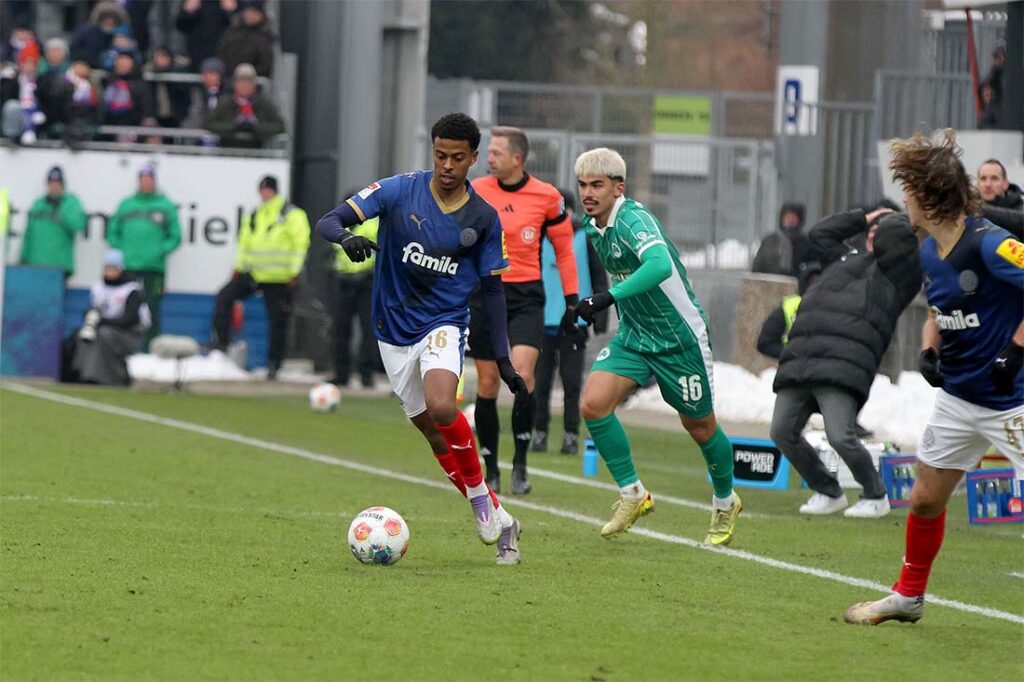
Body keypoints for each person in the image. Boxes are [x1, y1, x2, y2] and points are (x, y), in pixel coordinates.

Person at [316, 112, 528, 565]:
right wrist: (346, 238)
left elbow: (492, 291)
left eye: (457, 157)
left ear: (473, 159)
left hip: (445, 322)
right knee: (433, 435)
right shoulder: (398, 189)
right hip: (392, 331)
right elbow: (328, 220)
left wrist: (505, 359)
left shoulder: (484, 219)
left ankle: (478, 505)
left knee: (444, 405)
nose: (447, 165)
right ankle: (502, 515)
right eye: (440, 155)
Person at [845, 129, 1023, 625]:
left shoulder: (990, 244)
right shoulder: (928, 251)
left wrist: (1014, 350)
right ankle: (908, 597)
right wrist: (929, 349)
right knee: (924, 498)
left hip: (1014, 401)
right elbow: (938, 311)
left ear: (927, 195)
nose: (905, 200)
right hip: (961, 399)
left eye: (909, 190)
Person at [565, 147, 742, 545]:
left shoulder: (634, 220)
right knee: (592, 404)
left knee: (699, 426)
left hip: (678, 337)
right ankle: (633, 495)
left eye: (597, 185)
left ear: (618, 188)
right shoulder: (595, 227)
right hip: (635, 335)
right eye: (583, 185)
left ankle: (725, 500)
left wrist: (607, 298)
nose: (588, 193)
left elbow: (659, 265)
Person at [770, 204, 921, 518]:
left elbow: (900, 244)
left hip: (843, 366)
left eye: (882, 231)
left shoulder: (897, 276)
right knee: (781, 431)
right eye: (872, 230)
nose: (874, 234)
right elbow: (820, 233)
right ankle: (828, 490)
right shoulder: (843, 258)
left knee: (841, 435)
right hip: (802, 359)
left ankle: (875, 494)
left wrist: (899, 221)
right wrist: (866, 217)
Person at [469, 126, 580, 494]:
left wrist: (572, 300)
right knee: (486, 384)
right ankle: (491, 469)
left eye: (496, 153)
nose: (488, 159)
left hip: (526, 298)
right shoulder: (476, 190)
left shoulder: (546, 197)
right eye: (489, 152)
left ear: (517, 159)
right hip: (485, 294)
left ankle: (520, 463)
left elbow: (564, 251)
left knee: (522, 375)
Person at [532, 188, 609, 455]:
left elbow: (599, 278)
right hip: (542, 321)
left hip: (574, 325)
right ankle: (539, 432)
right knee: (539, 383)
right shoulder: (539, 235)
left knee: (572, 383)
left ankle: (570, 435)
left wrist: (599, 320)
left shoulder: (585, 237)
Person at [211, 175, 310, 380]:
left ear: (275, 191)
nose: (265, 194)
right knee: (224, 296)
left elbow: (301, 244)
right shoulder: (256, 214)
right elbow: (244, 242)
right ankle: (221, 343)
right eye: (262, 190)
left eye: (268, 190)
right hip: (255, 273)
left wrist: (294, 271)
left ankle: (274, 364)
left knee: (277, 322)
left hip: (280, 277)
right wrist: (239, 267)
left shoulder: (291, 214)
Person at [107, 164, 181, 349]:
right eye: (143, 179)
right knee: (125, 308)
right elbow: (112, 231)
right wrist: (121, 250)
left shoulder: (165, 206)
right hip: (129, 266)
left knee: (152, 308)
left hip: (154, 268)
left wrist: (160, 249)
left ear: (154, 182)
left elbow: (176, 236)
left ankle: (150, 349)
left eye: (149, 179)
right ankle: (124, 347)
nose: (146, 183)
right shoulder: (127, 204)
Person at [68, 249, 151, 386]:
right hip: (106, 328)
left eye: (113, 268)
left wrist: (102, 322)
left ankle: (107, 377)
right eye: (107, 268)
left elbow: (130, 320)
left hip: (130, 334)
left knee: (104, 335)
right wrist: (91, 316)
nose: (109, 272)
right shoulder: (99, 288)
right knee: (84, 335)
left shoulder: (131, 290)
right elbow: (93, 309)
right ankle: (80, 373)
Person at [327, 193, 378, 388]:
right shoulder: (339, 226)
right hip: (344, 282)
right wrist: (331, 269)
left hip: (366, 282)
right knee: (340, 330)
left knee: (367, 329)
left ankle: (366, 375)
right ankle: (341, 374)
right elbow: (332, 254)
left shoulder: (373, 223)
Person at [19, 166, 87, 278]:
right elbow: (29, 233)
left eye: (57, 183)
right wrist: (24, 257)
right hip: (35, 264)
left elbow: (78, 225)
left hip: (59, 265)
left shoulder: (70, 203)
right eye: (51, 183)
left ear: (63, 185)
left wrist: (60, 210)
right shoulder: (38, 204)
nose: (54, 186)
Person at [204, 63, 284, 148]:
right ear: (235, 83)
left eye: (249, 81)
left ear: (254, 85)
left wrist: (255, 128)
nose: (245, 85)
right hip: (227, 152)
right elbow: (209, 124)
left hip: (257, 153)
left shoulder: (264, 104)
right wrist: (234, 127)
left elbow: (280, 126)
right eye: (241, 81)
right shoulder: (225, 103)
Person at [756, 262, 822, 361]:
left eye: (820, 282)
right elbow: (765, 343)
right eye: (812, 282)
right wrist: (792, 353)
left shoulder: (836, 307)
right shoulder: (789, 307)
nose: (816, 287)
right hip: (795, 369)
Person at [751, 202, 819, 277]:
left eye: (793, 217)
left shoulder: (806, 244)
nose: (790, 220)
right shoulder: (769, 240)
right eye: (787, 217)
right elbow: (758, 265)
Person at [216, 0, 274, 78]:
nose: (250, 15)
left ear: (261, 15)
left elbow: (266, 62)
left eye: (254, 12)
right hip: (229, 78)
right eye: (248, 12)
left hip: (254, 80)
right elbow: (221, 53)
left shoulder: (265, 36)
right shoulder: (232, 32)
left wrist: (248, 74)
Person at [175, 0, 235, 72]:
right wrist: (187, 12)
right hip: (194, 53)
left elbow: (237, 27)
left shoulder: (225, 2)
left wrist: (231, 12)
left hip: (221, 53)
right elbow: (180, 26)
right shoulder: (194, 2)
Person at [70, 1, 130, 69]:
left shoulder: (117, 36)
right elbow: (75, 50)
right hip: (85, 67)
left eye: (113, 19)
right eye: (107, 18)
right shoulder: (86, 32)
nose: (109, 21)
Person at [976, 158, 1023, 239]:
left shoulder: (1019, 206)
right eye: (983, 178)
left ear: (1005, 184)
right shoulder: (969, 207)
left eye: (994, 178)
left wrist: (977, 209)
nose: (988, 184)